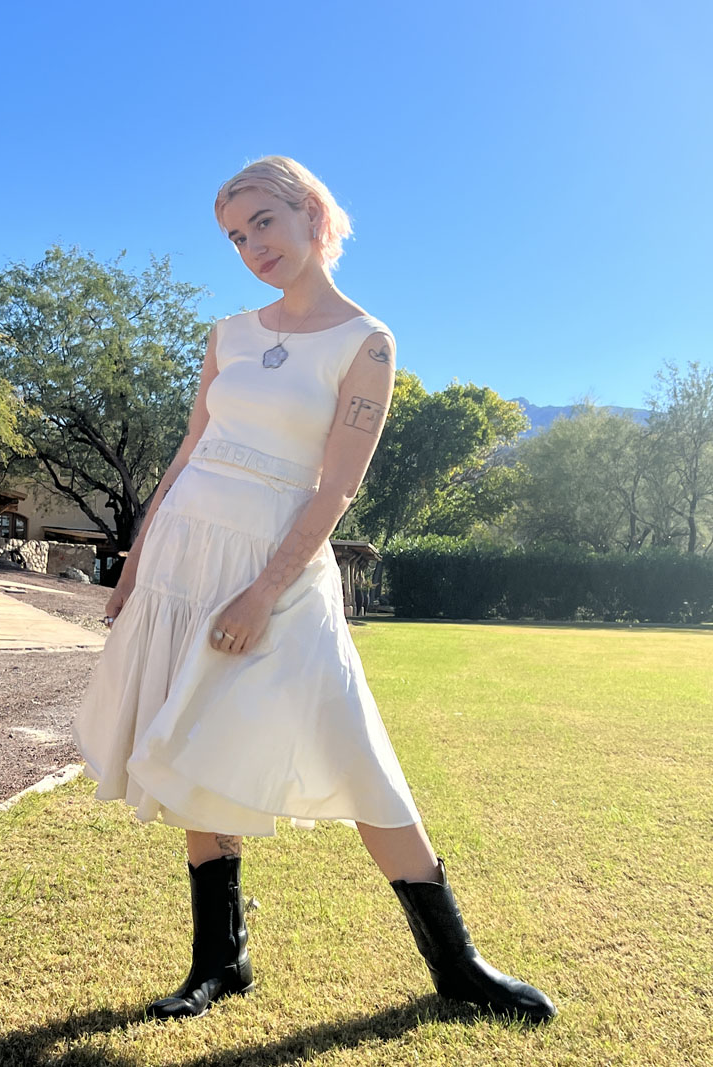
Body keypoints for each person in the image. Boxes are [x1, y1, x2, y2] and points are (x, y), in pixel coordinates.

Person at [71, 156, 556, 1025]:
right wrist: (138, 565)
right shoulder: (227, 332)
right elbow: (189, 452)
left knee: (357, 751)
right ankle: (221, 959)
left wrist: (262, 591)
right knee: (189, 732)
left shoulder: (366, 340)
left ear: (311, 213)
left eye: (262, 221)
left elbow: (335, 488)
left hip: (281, 571)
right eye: (234, 235)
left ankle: (459, 966)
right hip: (185, 555)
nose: (251, 246)